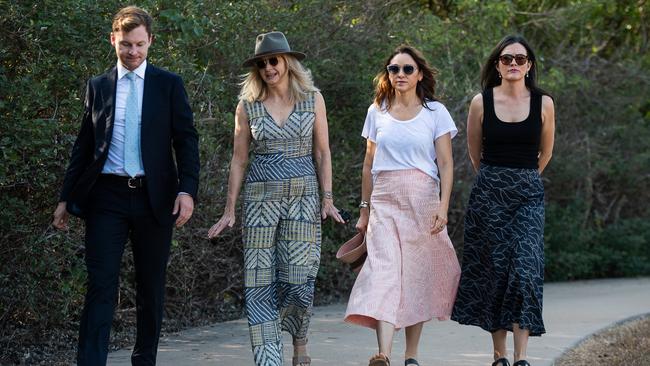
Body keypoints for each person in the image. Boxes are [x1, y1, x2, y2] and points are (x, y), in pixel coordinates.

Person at [51, 6, 199, 365]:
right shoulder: (98, 85)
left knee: (150, 287)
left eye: (139, 45)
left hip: (156, 199)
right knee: (100, 285)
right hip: (107, 197)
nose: (132, 52)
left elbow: (186, 141)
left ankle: (143, 359)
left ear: (150, 42)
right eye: (125, 45)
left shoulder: (168, 84)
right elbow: (84, 145)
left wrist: (187, 191)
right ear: (113, 40)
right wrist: (65, 197)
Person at [207, 31, 344, 366]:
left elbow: (323, 152)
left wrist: (327, 199)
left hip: (303, 197)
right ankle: (269, 359)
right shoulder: (248, 106)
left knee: (299, 276)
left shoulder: (313, 98)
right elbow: (239, 159)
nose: (268, 68)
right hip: (259, 199)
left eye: (274, 61)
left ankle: (300, 341)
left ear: (287, 62)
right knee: (259, 278)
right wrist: (229, 210)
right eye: (262, 63)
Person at [344, 45, 461, 366]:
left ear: (419, 74)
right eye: (394, 69)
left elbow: (447, 164)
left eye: (407, 69)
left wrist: (443, 207)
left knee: (415, 276)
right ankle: (384, 353)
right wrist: (364, 210)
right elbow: (368, 165)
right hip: (384, 200)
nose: (400, 75)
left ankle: (411, 355)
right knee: (384, 272)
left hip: (422, 200)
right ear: (388, 75)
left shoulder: (436, 112)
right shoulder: (376, 111)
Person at [451, 35, 556, 366]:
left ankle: (521, 356)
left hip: (527, 193)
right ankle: (499, 356)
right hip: (489, 193)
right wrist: (495, 178)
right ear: (497, 64)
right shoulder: (480, 102)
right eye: (507, 59)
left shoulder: (544, 103)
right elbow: (473, 152)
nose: (513, 64)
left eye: (520, 59)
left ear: (529, 66)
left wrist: (523, 177)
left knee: (524, 270)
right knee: (495, 272)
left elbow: (546, 151)